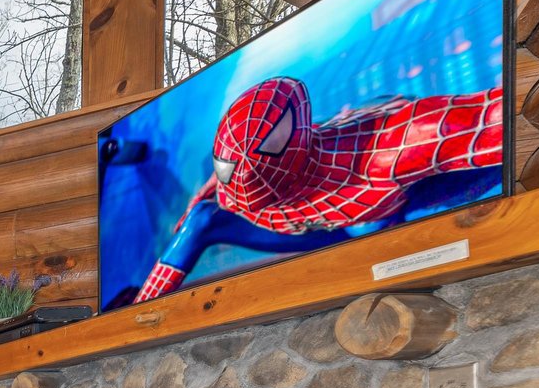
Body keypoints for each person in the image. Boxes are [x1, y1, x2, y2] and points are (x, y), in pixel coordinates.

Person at [127, 75, 504, 304]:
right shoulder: (242, 184)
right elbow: (235, 172)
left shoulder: (390, 148)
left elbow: (493, 118)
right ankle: (136, 309)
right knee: (201, 219)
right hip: (320, 222)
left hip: (371, 215)